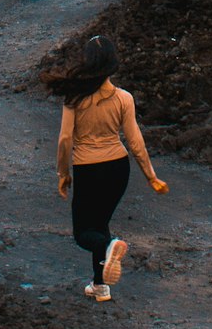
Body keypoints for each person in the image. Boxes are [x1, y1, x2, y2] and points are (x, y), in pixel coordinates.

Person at [43, 33, 168, 302]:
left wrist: (63, 174)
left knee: (83, 234)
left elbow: (65, 139)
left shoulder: (74, 98)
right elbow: (135, 141)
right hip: (118, 169)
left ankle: (109, 247)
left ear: (87, 62)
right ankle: (100, 286)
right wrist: (151, 176)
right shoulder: (124, 98)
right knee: (100, 223)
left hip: (89, 168)